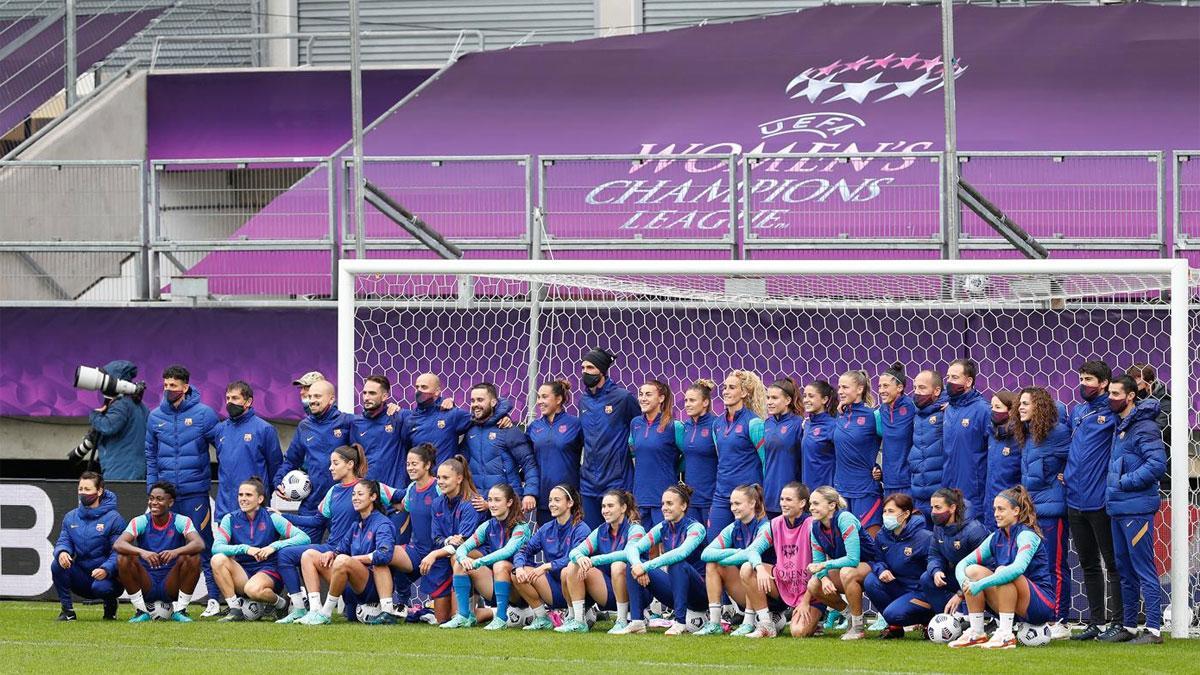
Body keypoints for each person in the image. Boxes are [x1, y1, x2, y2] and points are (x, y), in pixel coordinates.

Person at [275, 444, 402, 623]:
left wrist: (405, 504)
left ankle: (329, 611)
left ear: (350, 464)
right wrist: (284, 517)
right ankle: (306, 610)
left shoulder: (371, 488)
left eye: (335, 463)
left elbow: (403, 496)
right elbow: (318, 521)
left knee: (352, 612)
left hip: (355, 558)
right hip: (335, 550)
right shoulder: (334, 491)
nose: (330, 467)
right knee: (292, 555)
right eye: (354, 495)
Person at [144, 364, 220, 616]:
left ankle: (213, 599)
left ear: (185, 387)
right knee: (163, 545)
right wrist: (152, 491)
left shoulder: (204, 414)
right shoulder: (155, 417)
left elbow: (222, 448)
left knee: (202, 544)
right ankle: (163, 599)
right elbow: (150, 456)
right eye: (165, 385)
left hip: (195, 492)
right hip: (166, 496)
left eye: (173, 386)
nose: (168, 390)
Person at [1101, 375, 1168, 644]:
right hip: (1118, 507)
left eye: (1116, 394)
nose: (1110, 398)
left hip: (1136, 508)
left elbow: (1157, 465)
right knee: (1124, 568)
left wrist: (1124, 481)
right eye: (1110, 393)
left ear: (1130, 396)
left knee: (1142, 567)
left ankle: (1153, 629)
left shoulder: (1144, 427)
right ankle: (1129, 626)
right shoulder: (1120, 426)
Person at [949, 485, 1057, 649]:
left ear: (1016, 511)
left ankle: (1005, 635)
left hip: (1040, 606)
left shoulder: (1027, 535)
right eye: (994, 509)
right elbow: (963, 564)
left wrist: (979, 586)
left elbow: (1017, 569)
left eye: (1001, 509)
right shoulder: (995, 537)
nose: (996, 514)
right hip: (1013, 604)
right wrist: (965, 582)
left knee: (1003, 571)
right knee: (972, 571)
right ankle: (977, 632)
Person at [1066, 360, 1123, 640]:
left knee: (1112, 564)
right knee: (1088, 563)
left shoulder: (1112, 414)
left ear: (1103, 383)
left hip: (1100, 501)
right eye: (1081, 378)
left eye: (1089, 379)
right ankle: (1096, 622)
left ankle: (1120, 622)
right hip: (1074, 500)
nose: (1083, 384)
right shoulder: (1076, 411)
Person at [294, 480, 398, 625]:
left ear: (373, 497)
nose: (355, 497)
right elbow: (341, 549)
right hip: (351, 586)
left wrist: (352, 560)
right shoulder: (356, 525)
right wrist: (333, 554)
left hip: (372, 587)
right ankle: (315, 610)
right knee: (309, 555)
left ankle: (326, 613)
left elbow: (384, 555)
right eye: (353, 494)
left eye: (360, 494)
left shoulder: (383, 523)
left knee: (343, 560)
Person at [885, 487, 988, 632]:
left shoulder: (974, 530)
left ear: (952, 508)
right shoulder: (939, 528)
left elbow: (986, 568)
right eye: (932, 507)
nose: (933, 512)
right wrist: (936, 570)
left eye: (938, 507)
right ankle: (951, 623)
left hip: (978, 582)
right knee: (928, 578)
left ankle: (980, 620)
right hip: (956, 578)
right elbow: (934, 555)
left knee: (973, 572)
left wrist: (960, 594)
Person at [1013, 386, 1072, 639]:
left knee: (1055, 566)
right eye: (1020, 403)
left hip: (1052, 510)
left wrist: (1066, 476)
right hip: (1031, 512)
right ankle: (1036, 616)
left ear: (1041, 406)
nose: (1021, 407)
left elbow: (1079, 458)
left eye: (1026, 403)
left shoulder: (1057, 432)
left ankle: (1060, 620)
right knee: (1033, 566)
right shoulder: (1027, 435)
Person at [211, 477, 310, 621]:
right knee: (217, 559)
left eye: (248, 495)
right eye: (240, 495)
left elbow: (303, 537)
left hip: (269, 570)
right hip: (243, 572)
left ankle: (281, 603)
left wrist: (273, 546)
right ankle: (235, 610)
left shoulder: (272, 517)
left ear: (260, 498)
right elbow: (216, 547)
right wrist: (245, 549)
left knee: (252, 589)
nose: (243, 499)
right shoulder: (230, 518)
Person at [617, 483, 708, 635]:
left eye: (670, 503)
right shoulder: (662, 527)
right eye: (663, 504)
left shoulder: (696, 528)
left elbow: (681, 553)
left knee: (676, 563)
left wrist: (646, 567)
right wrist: (638, 564)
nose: (664, 507)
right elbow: (634, 548)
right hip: (676, 591)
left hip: (700, 593)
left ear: (683, 505)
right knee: (632, 564)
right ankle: (637, 621)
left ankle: (680, 622)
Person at [440, 483, 534, 630]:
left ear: (509, 502)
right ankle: (464, 616)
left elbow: (507, 552)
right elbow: (463, 547)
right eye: (490, 500)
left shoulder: (521, 527)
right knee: (459, 562)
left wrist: (478, 562)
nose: (492, 504)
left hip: (520, 589)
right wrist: (463, 558)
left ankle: (501, 618)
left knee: (500, 564)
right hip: (496, 584)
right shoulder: (487, 525)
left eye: (497, 500)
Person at [273, 379, 353, 543]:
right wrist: (278, 481)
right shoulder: (304, 426)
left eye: (317, 396)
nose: (312, 400)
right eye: (310, 396)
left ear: (331, 399)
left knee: (341, 553)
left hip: (341, 500)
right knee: (303, 553)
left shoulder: (347, 422)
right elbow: (291, 460)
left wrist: (390, 410)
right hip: (312, 502)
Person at [114, 482, 205, 622]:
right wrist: (142, 552)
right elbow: (119, 544)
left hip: (171, 584)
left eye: (159, 499)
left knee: (193, 558)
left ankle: (180, 610)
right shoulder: (140, 521)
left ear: (170, 502)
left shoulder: (180, 521)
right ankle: (141, 611)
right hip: (147, 582)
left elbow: (199, 544)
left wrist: (175, 552)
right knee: (123, 558)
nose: (154, 502)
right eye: (151, 498)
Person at [744, 482, 822, 638]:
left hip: (810, 591)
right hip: (783, 583)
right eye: (781, 499)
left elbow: (820, 566)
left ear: (802, 503)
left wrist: (805, 601)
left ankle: (816, 621)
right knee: (747, 568)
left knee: (798, 632)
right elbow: (752, 550)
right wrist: (759, 568)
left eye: (788, 500)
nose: (783, 504)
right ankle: (767, 624)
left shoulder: (812, 525)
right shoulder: (775, 523)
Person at [696, 484, 772, 637]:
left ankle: (750, 622)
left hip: (770, 592)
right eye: (731, 503)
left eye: (737, 503)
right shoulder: (734, 527)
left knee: (748, 566)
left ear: (752, 503)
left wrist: (732, 555)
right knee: (713, 563)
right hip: (747, 589)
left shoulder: (766, 526)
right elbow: (706, 553)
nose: (733, 508)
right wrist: (737, 552)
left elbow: (752, 553)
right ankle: (715, 623)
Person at [565, 489, 644, 634]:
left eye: (610, 506)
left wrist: (593, 560)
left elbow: (628, 554)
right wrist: (581, 558)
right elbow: (575, 551)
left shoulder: (636, 529)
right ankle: (579, 621)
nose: (605, 510)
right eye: (603, 506)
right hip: (610, 590)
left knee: (618, 565)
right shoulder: (600, 530)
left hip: (638, 592)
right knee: (572, 566)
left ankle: (622, 620)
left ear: (623, 508)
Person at [514, 484, 591, 631]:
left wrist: (546, 566)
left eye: (557, 500)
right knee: (516, 573)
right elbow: (524, 550)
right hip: (553, 587)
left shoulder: (582, 528)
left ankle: (579, 618)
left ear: (570, 503)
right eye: (550, 500)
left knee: (568, 569)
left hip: (578, 586)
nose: (552, 504)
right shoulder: (546, 528)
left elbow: (576, 557)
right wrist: (518, 567)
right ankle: (542, 618)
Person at [805, 485, 878, 640]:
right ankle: (850, 616)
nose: (811, 508)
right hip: (850, 569)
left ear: (832, 505)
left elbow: (853, 559)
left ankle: (857, 628)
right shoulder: (815, 527)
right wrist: (824, 578)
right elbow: (817, 561)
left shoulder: (845, 518)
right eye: (811, 504)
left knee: (846, 571)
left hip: (873, 566)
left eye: (816, 503)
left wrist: (825, 565)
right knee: (814, 584)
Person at [579, 348, 641, 529]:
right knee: (591, 536)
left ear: (602, 370)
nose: (585, 372)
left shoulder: (623, 397)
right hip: (589, 482)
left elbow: (639, 427)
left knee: (618, 536)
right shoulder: (583, 400)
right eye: (583, 368)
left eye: (590, 368)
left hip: (616, 480)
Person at [51, 471, 126, 621]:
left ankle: (110, 605)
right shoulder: (70, 517)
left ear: (99, 491)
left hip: (107, 579)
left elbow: (119, 551)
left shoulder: (114, 519)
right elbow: (64, 540)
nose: (83, 493)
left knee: (101, 587)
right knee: (56, 564)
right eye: (80, 489)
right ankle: (67, 611)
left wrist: (107, 569)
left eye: (87, 489)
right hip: (82, 578)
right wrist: (62, 552)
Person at [418, 455, 483, 624]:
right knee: (441, 619)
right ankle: (479, 610)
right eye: (438, 477)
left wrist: (435, 554)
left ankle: (489, 611)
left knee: (457, 558)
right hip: (445, 556)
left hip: (474, 556)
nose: (440, 481)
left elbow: (465, 543)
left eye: (445, 477)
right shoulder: (437, 503)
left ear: (459, 478)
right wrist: (448, 541)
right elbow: (436, 537)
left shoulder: (472, 503)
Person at [209, 381, 281, 522]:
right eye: (228, 398)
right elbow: (223, 463)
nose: (230, 403)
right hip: (225, 509)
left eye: (235, 398)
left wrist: (265, 495)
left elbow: (275, 467)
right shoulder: (220, 430)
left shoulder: (265, 429)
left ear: (248, 401)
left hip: (255, 509)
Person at [863, 493, 932, 639]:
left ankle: (929, 621)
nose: (886, 515)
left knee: (892, 614)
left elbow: (933, 568)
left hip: (919, 592)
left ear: (906, 513)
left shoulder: (924, 537)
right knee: (871, 580)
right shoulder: (882, 535)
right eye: (885, 511)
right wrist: (882, 570)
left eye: (891, 511)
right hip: (897, 586)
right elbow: (876, 559)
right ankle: (894, 628)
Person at [463, 382, 538, 515]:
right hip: (477, 505)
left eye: (480, 400)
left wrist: (530, 492)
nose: (475, 404)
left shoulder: (507, 429)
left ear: (493, 402)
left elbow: (529, 463)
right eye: (472, 400)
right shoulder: (470, 430)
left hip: (507, 506)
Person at [405, 372, 509, 467]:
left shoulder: (452, 414)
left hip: (446, 482)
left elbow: (483, 416)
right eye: (417, 387)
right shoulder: (410, 419)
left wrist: (502, 416)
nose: (419, 391)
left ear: (437, 392)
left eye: (424, 387)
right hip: (421, 483)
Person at [385, 443, 440, 617]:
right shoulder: (410, 489)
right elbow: (404, 507)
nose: (410, 468)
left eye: (414, 464)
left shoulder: (439, 487)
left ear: (427, 465)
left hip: (439, 552)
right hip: (417, 550)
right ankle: (399, 604)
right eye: (408, 464)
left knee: (442, 615)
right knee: (387, 553)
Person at [711, 370, 767, 538]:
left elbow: (765, 462)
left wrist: (761, 496)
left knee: (748, 549)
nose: (726, 391)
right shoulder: (717, 424)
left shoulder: (754, 423)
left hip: (747, 497)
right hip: (721, 494)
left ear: (744, 392)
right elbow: (721, 458)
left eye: (732, 387)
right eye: (725, 387)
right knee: (713, 541)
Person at [527, 379, 583, 526]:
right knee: (548, 541)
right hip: (544, 499)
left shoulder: (575, 424)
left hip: (569, 497)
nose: (539, 401)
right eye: (538, 397)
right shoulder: (534, 427)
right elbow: (527, 461)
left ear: (559, 399)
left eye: (544, 397)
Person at [833, 370, 883, 535]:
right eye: (839, 387)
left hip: (865, 490)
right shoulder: (839, 416)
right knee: (845, 546)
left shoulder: (873, 416)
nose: (840, 391)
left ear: (860, 389)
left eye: (845, 387)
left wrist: (881, 468)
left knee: (869, 547)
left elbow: (894, 444)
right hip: (840, 490)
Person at [942, 359, 991, 522]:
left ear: (969, 381)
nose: (949, 381)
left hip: (973, 492)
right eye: (948, 377)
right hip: (949, 489)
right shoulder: (948, 409)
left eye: (955, 377)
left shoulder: (983, 409)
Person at [630, 379, 683, 526]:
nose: (643, 398)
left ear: (661, 398)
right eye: (640, 394)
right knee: (641, 545)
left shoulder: (674, 426)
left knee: (666, 544)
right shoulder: (635, 424)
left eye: (648, 394)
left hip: (665, 496)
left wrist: (675, 469)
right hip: (640, 496)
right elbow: (633, 451)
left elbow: (689, 455)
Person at [85, 360, 149, 480]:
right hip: (136, 470)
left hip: (120, 471)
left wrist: (95, 415)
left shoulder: (121, 404)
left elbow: (108, 426)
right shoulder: (141, 405)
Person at [352, 375, 407, 488]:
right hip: (367, 494)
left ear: (384, 396)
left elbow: (424, 417)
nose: (366, 397)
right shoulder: (355, 423)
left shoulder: (398, 417)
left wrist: (447, 403)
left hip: (393, 494)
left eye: (372, 393)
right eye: (364, 393)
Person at [677, 379, 719, 527]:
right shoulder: (685, 426)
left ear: (705, 402)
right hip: (691, 500)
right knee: (694, 543)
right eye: (686, 400)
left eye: (692, 400)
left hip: (713, 499)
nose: (687, 404)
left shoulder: (717, 425)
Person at [762, 379, 803, 520]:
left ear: (787, 400)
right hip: (769, 495)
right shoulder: (766, 424)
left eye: (774, 398)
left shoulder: (799, 424)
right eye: (768, 398)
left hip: (791, 496)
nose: (769, 402)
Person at [908, 370, 947, 516]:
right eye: (915, 387)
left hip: (941, 493)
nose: (917, 392)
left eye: (922, 388)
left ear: (937, 390)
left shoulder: (948, 410)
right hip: (918, 491)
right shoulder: (917, 414)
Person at [877, 363, 915, 498]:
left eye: (885, 386)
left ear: (899, 387)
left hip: (909, 482)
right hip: (888, 483)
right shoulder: (881, 411)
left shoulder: (913, 407)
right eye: (879, 386)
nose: (881, 390)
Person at [984, 391, 1021, 532]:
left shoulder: (1020, 437)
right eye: (992, 407)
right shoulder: (992, 435)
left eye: (998, 407)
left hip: (1011, 508)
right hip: (990, 506)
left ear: (1011, 411)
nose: (993, 411)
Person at [800, 380, 837, 495]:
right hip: (807, 489)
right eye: (804, 396)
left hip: (826, 492)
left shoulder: (833, 425)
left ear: (824, 400)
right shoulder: (806, 424)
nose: (806, 400)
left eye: (811, 396)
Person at [1126, 363, 1170, 439]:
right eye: (1131, 387)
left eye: (1138, 386)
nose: (1134, 390)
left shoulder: (1164, 402)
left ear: (1149, 384)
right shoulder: (1129, 401)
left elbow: (1157, 430)